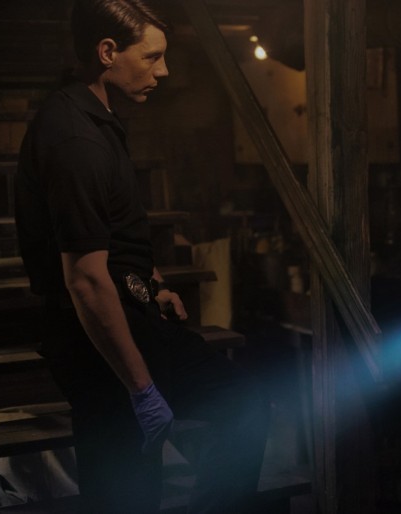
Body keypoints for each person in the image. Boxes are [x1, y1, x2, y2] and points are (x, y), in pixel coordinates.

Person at [14, 1, 269, 512]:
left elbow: (114, 233)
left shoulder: (97, 118)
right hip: (98, 341)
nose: (164, 70)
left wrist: (152, 284)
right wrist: (142, 390)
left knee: (240, 403)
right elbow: (86, 280)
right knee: (126, 494)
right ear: (107, 52)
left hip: (133, 313)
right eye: (152, 57)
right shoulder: (75, 139)